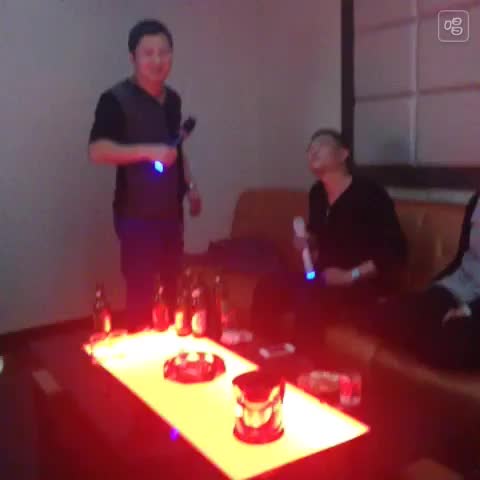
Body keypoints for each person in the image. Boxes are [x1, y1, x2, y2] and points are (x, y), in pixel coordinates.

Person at [88, 19, 202, 331]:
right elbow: (97, 151)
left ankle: (176, 352)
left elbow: (175, 147)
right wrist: (149, 152)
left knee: (172, 286)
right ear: (133, 58)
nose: (157, 60)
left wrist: (191, 185)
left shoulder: (173, 99)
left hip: (171, 211)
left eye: (164, 52)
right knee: (140, 291)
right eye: (148, 53)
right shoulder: (115, 99)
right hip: (135, 213)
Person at [250, 129, 407, 352]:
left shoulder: (369, 192)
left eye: (321, 145)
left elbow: (396, 251)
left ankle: (305, 367)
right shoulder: (317, 193)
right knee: (268, 286)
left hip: (361, 283)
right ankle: (264, 355)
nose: (312, 151)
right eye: (309, 149)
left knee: (310, 298)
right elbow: (321, 236)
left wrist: (349, 276)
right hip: (323, 278)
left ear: (343, 154)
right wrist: (308, 242)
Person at [365, 193, 480, 370]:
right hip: (458, 288)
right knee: (385, 316)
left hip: (475, 306)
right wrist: (431, 290)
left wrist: (468, 310)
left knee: (454, 341)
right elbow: (461, 258)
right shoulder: (476, 200)